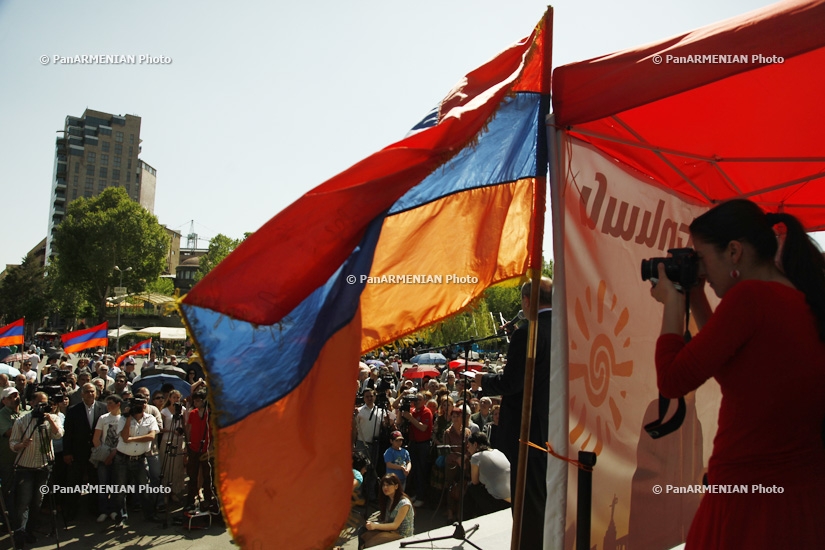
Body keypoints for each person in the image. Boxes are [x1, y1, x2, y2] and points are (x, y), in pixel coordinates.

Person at [649, 199, 825, 548]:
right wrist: (696, 296)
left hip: (749, 502)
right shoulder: (798, 297)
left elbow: (673, 380)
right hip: (801, 498)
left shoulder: (750, 298)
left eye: (701, 257)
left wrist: (673, 302)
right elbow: (738, 373)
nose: (700, 269)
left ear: (733, 252)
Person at [479, 277, 552, 549]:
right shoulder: (563, 329)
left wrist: (483, 382)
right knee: (542, 497)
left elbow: (512, 384)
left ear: (526, 301)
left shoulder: (527, 332)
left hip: (528, 430)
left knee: (526, 503)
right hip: (551, 426)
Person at [9, 391, 63, 547]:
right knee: (23, 502)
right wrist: (21, 445)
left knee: (37, 502)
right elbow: (12, 443)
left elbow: (58, 434)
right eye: (40, 403)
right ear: (32, 403)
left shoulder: (53, 418)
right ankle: (19, 533)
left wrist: (49, 419)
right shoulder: (22, 420)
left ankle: (30, 531)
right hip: (25, 467)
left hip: (43, 466)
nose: (43, 406)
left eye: (46, 403)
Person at [63, 382, 108, 519]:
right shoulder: (73, 410)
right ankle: (71, 511)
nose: (90, 394)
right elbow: (68, 433)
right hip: (78, 452)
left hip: (96, 452)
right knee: (74, 482)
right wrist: (67, 452)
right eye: (87, 392)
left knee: (95, 481)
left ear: (97, 393)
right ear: (82, 394)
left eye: (92, 391)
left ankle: (94, 509)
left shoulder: (103, 408)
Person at [358, 473, 414, 549]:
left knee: (369, 544)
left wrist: (375, 526)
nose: (385, 487)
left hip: (401, 535)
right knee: (362, 531)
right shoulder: (388, 500)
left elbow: (395, 525)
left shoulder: (404, 503)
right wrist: (372, 524)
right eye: (383, 485)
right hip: (390, 531)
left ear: (396, 486)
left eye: (388, 485)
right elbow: (386, 521)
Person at [464, 432, 511, 519]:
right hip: (511, 499)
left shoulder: (476, 457)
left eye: (468, 445)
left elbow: (475, 482)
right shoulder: (498, 452)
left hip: (498, 501)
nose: (468, 449)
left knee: (471, 487)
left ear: (475, 444)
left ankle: (466, 519)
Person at [92, 394, 122, 523]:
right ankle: (104, 510)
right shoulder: (103, 418)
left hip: (118, 455)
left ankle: (115, 510)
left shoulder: (123, 419)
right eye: (107, 403)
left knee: (116, 484)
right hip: (104, 455)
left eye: (111, 403)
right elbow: (96, 438)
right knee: (103, 484)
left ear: (118, 404)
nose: (108, 406)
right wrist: (104, 454)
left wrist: (113, 454)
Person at [401, 392, 432, 507]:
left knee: (421, 470)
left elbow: (423, 428)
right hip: (413, 443)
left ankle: (421, 496)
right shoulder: (413, 411)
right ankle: (415, 493)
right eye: (415, 400)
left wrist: (411, 418)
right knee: (413, 470)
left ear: (424, 401)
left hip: (423, 444)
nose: (416, 402)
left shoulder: (426, 412)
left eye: (419, 400)